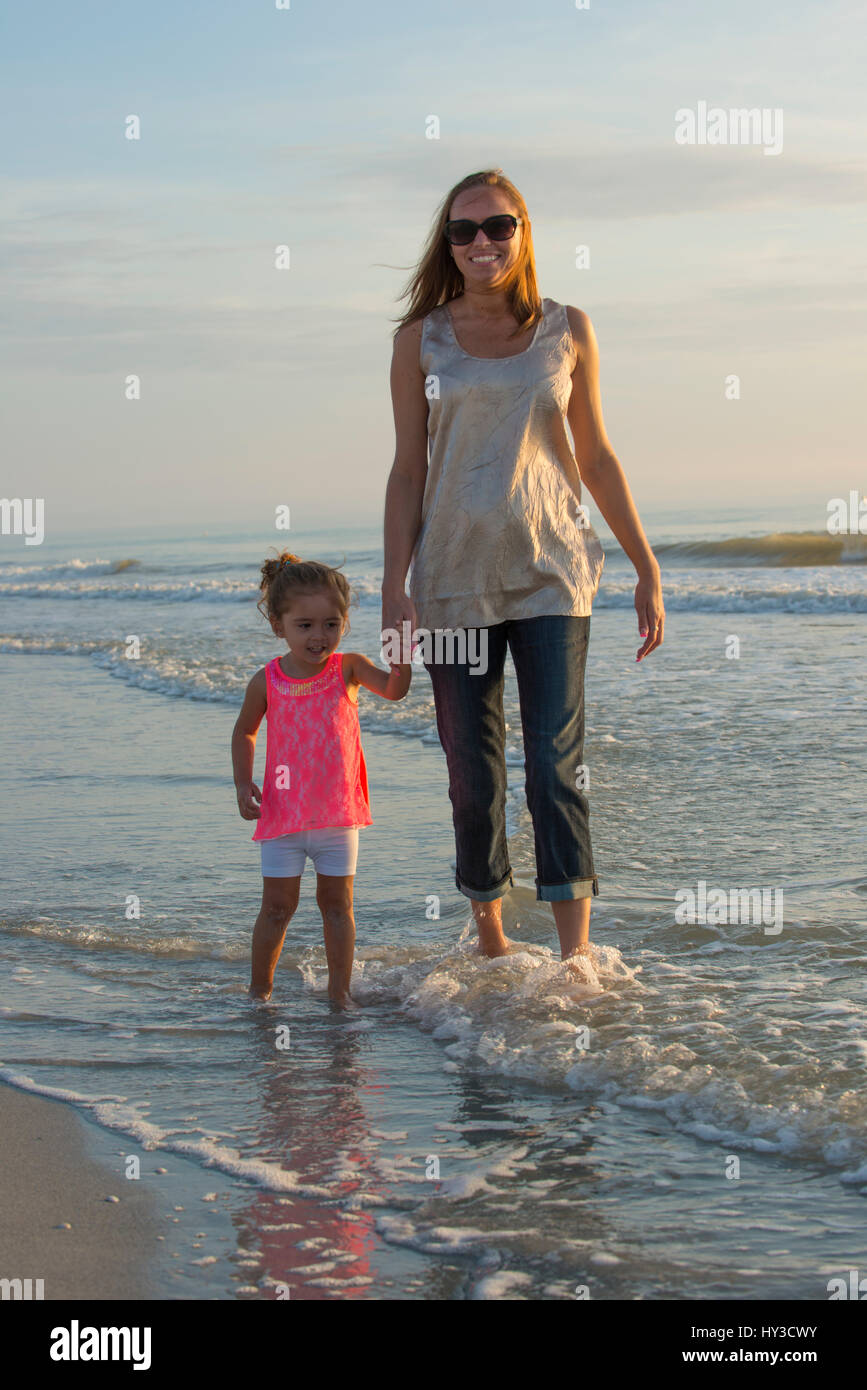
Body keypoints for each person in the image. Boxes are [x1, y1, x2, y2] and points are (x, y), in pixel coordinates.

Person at [382, 168, 665, 965]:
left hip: (552, 573)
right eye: (464, 230)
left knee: (554, 766)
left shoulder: (567, 328)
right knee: (474, 779)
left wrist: (645, 565)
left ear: (523, 231)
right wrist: (392, 585)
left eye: (497, 226)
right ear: (447, 243)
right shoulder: (419, 341)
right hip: (450, 581)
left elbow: (597, 455)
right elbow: (407, 469)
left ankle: (577, 964)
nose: (481, 243)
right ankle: (492, 943)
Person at [232, 551, 411, 1004]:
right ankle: (260, 992)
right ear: (279, 624)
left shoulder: (347, 668)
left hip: (337, 818)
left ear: (344, 623)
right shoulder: (266, 680)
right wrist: (242, 782)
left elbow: (394, 690)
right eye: (305, 625)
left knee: (337, 907)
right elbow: (245, 730)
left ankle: (339, 994)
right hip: (283, 819)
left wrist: (403, 654)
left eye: (330, 624)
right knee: (276, 910)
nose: (319, 637)